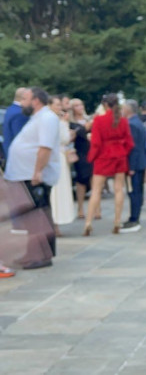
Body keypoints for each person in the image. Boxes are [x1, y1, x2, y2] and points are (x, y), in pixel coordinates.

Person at [5, 87, 59, 269]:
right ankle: (34, 252)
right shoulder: (37, 118)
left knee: (37, 217)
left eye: (25, 99)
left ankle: (41, 256)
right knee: (31, 217)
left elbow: (45, 147)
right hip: (24, 173)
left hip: (33, 175)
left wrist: (38, 171)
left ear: (35, 100)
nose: (22, 103)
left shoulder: (47, 118)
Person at [84, 94, 133, 236]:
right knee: (119, 189)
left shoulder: (99, 120)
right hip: (119, 155)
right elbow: (129, 142)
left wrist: (91, 157)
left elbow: (96, 142)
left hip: (103, 156)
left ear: (105, 105)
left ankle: (88, 222)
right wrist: (123, 151)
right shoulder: (123, 121)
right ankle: (117, 221)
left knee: (96, 190)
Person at [48, 95, 76, 231]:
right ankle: (55, 222)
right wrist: (65, 124)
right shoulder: (57, 121)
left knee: (55, 191)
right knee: (57, 190)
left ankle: (54, 222)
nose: (60, 107)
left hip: (53, 156)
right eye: (57, 105)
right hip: (57, 156)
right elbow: (64, 139)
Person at [121, 100, 146, 233]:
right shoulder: (137, 122)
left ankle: (134, 218)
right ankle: (135, 216)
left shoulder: (131, 124)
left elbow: (133, 147)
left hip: (135, 164)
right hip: (140, 162)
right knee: (137, 191)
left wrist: (131, 166)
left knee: (134, 192)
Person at [69, 98, 94, 219]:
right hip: (81, 152)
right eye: (76, 105)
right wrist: (84, 128)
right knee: (82, 179)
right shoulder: (71, 122)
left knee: (94, 178)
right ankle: (80, 207)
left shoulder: (88, 119)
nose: (80, 107)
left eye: (81, 105)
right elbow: (72, 136)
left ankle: (96, 208)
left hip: (92, 150)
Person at [2, 87, 30, 166]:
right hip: (18, 155)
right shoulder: (21, 113)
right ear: (23, 97)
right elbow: (19, 136)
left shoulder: (10, 109)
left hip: (8, 150)